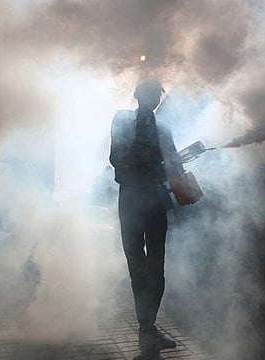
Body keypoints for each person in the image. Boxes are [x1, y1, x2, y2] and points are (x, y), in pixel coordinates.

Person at [109, 78, 183, 359]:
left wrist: (177, 165)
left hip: (154, 202)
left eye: (155, 95)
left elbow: (173, 161)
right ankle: (147, 331)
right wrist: (152, 163)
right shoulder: (122, 121)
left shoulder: (163, 129)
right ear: (138, 95)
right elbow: (117, 158)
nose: (151, 99)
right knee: (137, 267)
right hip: (130, 200)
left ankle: (148, 329)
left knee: (156, 268)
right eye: (148, 93)